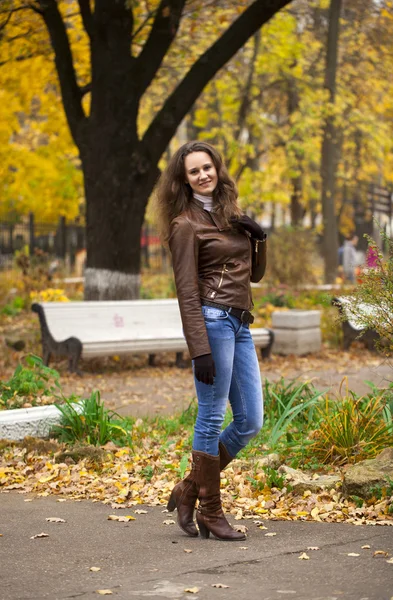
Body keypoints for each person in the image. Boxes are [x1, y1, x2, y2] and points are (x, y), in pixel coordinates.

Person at [156, 141, 267, 542]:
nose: (203, 175)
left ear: (217, 169)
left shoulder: (230, 216)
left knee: (251, 420)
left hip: (241, 325)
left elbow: (253, 276)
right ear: (184, 180)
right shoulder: (185, 225)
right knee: (211, 415)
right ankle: (211, 510)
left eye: (207, 167)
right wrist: (198, 348)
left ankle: (189, 488)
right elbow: (187, 292)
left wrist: (258, 238)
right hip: (213, 322)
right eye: (193, 171)